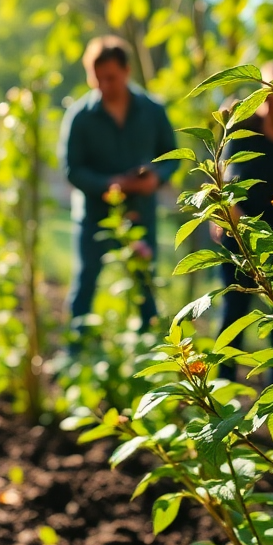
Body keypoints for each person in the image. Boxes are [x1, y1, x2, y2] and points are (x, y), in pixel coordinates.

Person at [60, 36, 178, 329]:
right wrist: (111, 184)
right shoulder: (80, 116)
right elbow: (72, 170)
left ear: (126, 71)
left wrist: (156, 177)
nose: (104, 86)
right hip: (94, 216)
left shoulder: (152, 110)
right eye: (96, 79)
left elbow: (172, 157)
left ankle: (147, 351)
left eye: (110, 78)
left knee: (145, 285)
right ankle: (77, 350)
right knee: (85, 282)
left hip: (141, 212)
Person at [207, 62, 273, 384]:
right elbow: (224, 176)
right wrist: (228, 217)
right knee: (232, 312)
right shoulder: (243, 130)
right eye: (265, 86)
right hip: (239, 239)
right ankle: (223, 384)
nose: (269, 95)